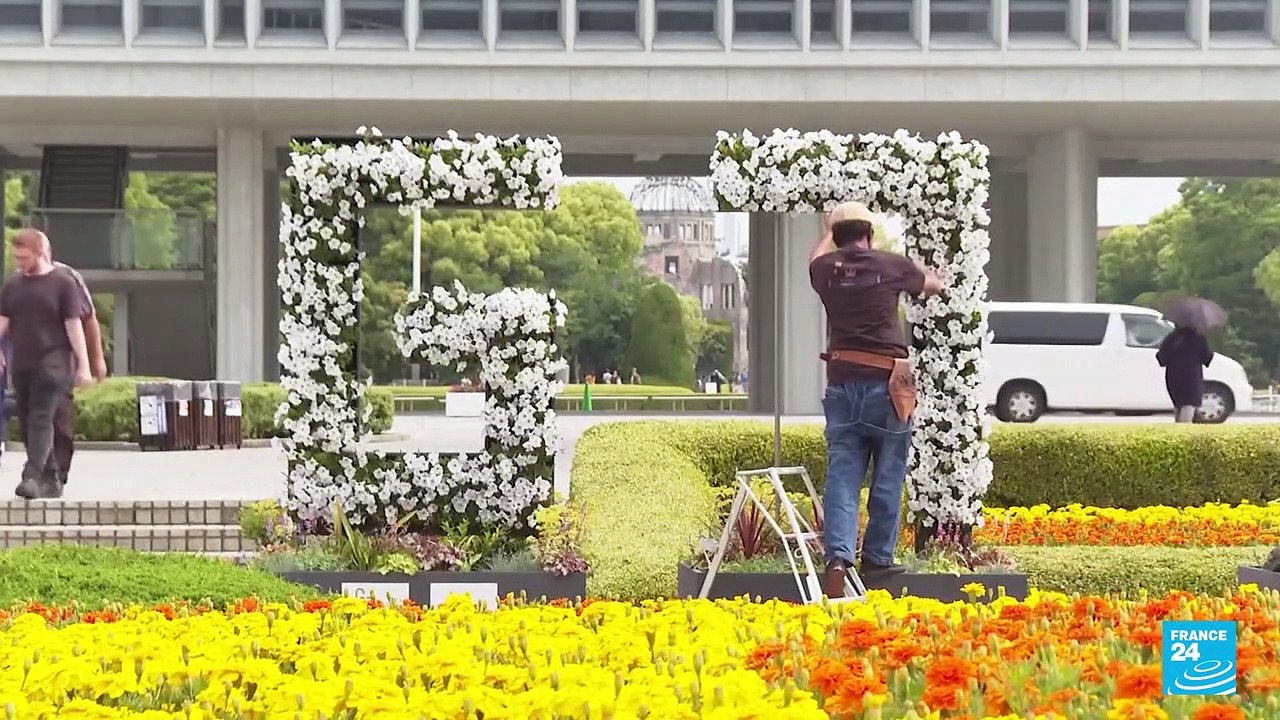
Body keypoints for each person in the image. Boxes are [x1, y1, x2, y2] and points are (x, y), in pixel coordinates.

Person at [809, 202, 943, 598]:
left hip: (841, 382)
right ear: (868, 233)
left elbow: (814, 258)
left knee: (843, 476)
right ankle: (878, 561)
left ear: (836, 235)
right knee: (888, 471)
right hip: (887, 385)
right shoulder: (890, 265)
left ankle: (837, 559)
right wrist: (938, 277)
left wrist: (825, 229)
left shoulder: (825, 269)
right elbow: (932, 286)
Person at [0, 229, 95, 499]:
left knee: (42, 416)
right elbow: (3, 321)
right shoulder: (13, 285)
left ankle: (30, 475)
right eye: (16, 257)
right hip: (23, 363)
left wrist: (84, 365)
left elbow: (75, 326)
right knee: (30, 419)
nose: (20, 262)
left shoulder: (62, 284)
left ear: (40, 252)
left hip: (54, 362)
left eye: (25, 257)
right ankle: (51, 479)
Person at [33, 233, 106, 488]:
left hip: (61, 360)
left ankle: (57, 475)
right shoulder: (19, 281)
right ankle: (41, 471)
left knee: (60, 418)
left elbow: (88, 318)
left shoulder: (67, 278)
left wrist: (96, 360)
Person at [1156, 321, 1213, 423]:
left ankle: (1178, 432)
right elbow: (1207, 358)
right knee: (1189, 404)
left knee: (1179, 406)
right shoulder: (1198, 338)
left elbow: (1161, 358)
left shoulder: (1172, 338)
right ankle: (1183, 432)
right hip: (1192, 378)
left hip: (1173, 377)